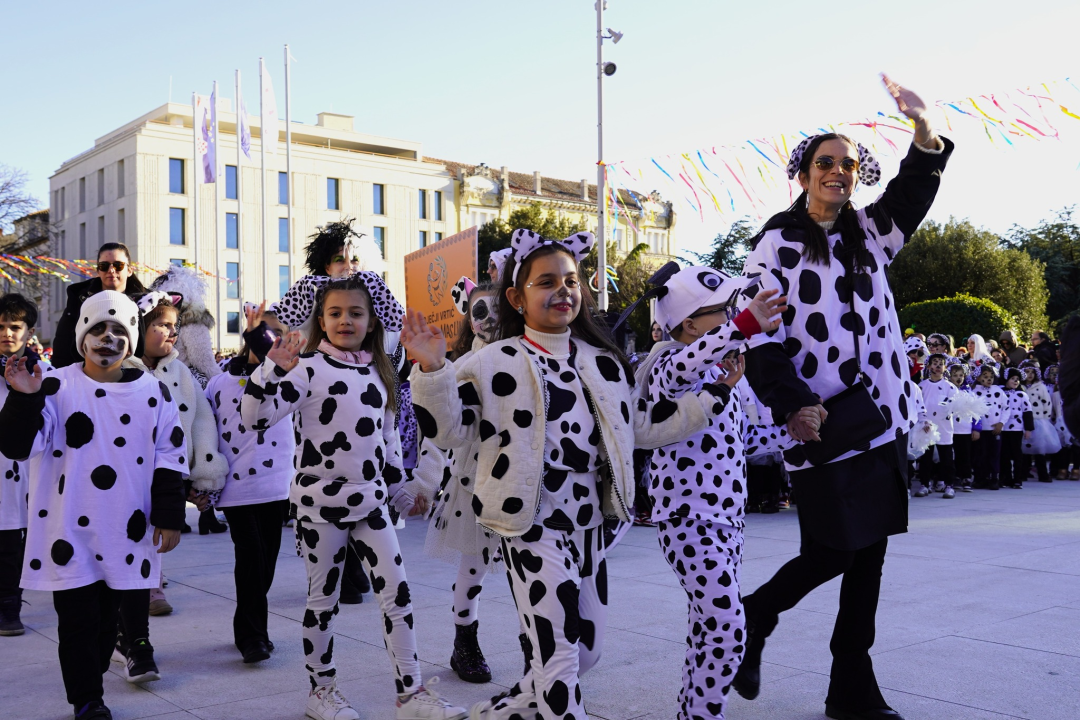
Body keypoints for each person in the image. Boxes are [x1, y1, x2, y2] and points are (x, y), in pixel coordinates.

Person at [405, 229, 726, 720]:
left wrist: (712, 397)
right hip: (530, 524)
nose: (564, 290)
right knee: (559, 657)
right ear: (517, 296)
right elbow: (449, 430)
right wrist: (431, 372)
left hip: (591, 524)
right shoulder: (490, 363)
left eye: (572, 280)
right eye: (547, 281)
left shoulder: (605, 363)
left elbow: (638, 427)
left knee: (583, 654)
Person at [732, 76, 953, 720]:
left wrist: (924, 125)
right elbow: (758, 330)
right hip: (821, 421)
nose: (837, 171)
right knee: (833, 549)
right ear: (803, 174)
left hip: (881, 420)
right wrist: (790, 403)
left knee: (869, 563)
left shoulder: (871, 231)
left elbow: (916, 189)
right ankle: (756, 614)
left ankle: (851, 687)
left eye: (847, 163)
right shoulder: (778, 239)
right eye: (824, 162)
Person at [242, 274, 466, 720]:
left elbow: (385, 444)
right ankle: (321, 693)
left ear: (370, 322)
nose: (346, 320)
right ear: (321, 322)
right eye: (336, 313)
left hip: (372, 506)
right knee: (322, 602)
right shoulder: (305, 368)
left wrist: (403, 491)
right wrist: (270, 368)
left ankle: (412, 693)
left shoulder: (379, 374)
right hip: (318, 510)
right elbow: (256, 415)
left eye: (356, 313)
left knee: (398, 596)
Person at [0, 290, 187, 720]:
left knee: (107, 626)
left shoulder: (153, 392)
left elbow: (170, 455)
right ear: (82, 336)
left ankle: (97, 672)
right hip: (69, 529)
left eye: (118, 330)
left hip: (128, 530)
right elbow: (16, 446)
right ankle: (87, 700)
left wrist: (169, 515)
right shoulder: (56, 385)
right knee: (78, 623)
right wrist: (25, 398)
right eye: (98, 328)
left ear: (131, 340)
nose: (107, 338)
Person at [630, 265, 791, 720]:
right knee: (728, 628)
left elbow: (743, 443)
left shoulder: (724, 375)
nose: (731, 316)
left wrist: (794, 431)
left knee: (707, 628)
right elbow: (684, 366)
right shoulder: (666, 364)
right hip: (687, 519)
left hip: (726, 523)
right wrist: (742, 327)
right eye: (720, 311)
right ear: (688, 325)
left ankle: (694, 713)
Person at [115, 292, 228, 675]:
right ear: (139, 327)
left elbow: (199, 421)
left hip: (167, 475)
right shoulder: (120, 370)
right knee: (127, 549)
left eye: (174, 326)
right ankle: (127, 625)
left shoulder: (179, 373)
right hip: (124, 479)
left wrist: (202, 471)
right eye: (162, 324)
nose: (171, 332)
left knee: (152, 542)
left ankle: (144, 613)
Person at [407, 277, 509, 684]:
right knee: (474, 567)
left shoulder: (527, 355)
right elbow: (440, 433)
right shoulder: (464, 365)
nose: (489, 320)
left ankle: (537, 645)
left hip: (526, 485)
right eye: (479, 310)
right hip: (475, 484)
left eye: (498, 310)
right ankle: (464, 642)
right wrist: (424, 484)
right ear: (468, 317)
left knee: (532, 574)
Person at [205, 302, 294, 664]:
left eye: (278, 333)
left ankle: (249, 626)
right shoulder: (218, 384)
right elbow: (206, 436)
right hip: (237, 490)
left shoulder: (292, 379)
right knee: (251, 559)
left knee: (265, 564)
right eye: (266, 333)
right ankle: (253, 637)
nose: (274, 340)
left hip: (278, 488)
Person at [0, 293, 53, 636]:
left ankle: (9, 608)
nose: (7, 333)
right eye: (2, 326)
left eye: (15, 326)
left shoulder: (43, 371)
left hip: (24, 474)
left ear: (29, 331)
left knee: (12, 544)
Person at [51, 243, 147, 368]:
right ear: (98, 271)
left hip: (134, 376)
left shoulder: (147, 302)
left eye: (118, 265)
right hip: (86, 376)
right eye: (104, 266)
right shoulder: (79, 301)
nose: (111, 270)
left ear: (129, 270)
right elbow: (63, 344)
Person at [917, 354, 959, 499]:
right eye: (934, 363)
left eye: (941, 363)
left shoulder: (950, 387)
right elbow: (918, 405)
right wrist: (923, 421)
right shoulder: (922, 386)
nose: (938, 366)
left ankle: (949, 485)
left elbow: (954, 406)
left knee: (946, 458)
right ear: (929, 367)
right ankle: (924, 484)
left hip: (944, 428)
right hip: (926, 427)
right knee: (925, 458)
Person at [1018, 360, 1058, 482]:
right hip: (1023, 421)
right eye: (1026, 372)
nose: (1029, 375)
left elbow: (1047, 403)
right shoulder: (1020, 387)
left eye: (1032, 372)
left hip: (1039, 421)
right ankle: (1023, 472)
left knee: (1040, 449)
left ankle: (1043, 474)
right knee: (1024, 449)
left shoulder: (1040, 387)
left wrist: (1045, 419)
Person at [971, 364, 1006, 490]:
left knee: (994, 455)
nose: (989, 379)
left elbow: (1006, 408)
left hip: (995, 430)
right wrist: (975, 429)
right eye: (985, 376)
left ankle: (994, 479)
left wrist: (1001, 423)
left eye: (991, 376)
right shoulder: (974, 392)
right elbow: (973, 411)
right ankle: (981, 478)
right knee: (981, 455)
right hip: (981, 431)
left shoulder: (998, 391)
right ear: (979, 378)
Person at [999, 368, 1034, 489]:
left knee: (1017, 454)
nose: (1015, 381)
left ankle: (1018, 478)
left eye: (1017, 379)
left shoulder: (1022, 394)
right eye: (1012, 379)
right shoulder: (1000, 392)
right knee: (1005, 455)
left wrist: (1028, 429)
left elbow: (1028, 412)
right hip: (1003, 427)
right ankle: (1006, 478)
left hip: (1017, 428)